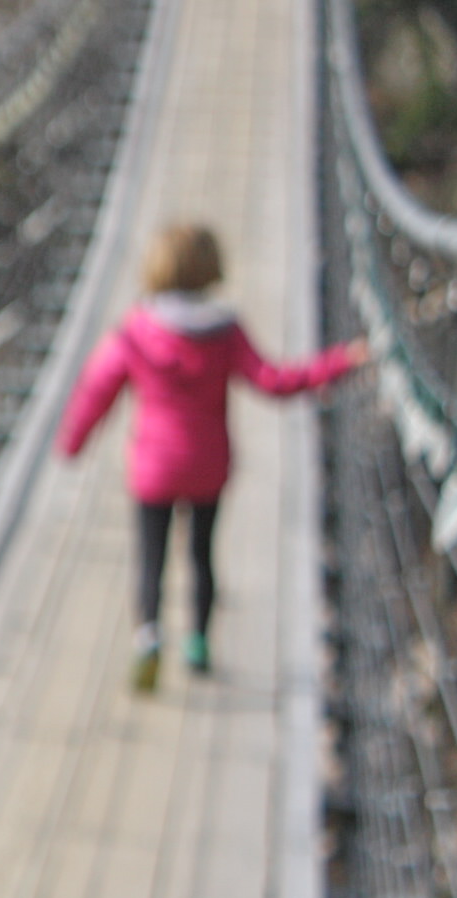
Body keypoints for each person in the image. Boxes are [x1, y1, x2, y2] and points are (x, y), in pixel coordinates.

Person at [58, 222, 362, 692]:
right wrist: (338, 362)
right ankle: (198, 641)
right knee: (202, 555)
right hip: (207, 465)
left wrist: (72, 442)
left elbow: (97, 387)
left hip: (154, 468)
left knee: (151, 557)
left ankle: (148, 638)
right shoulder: (225, 332)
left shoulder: (137, 331)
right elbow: (274, 381)